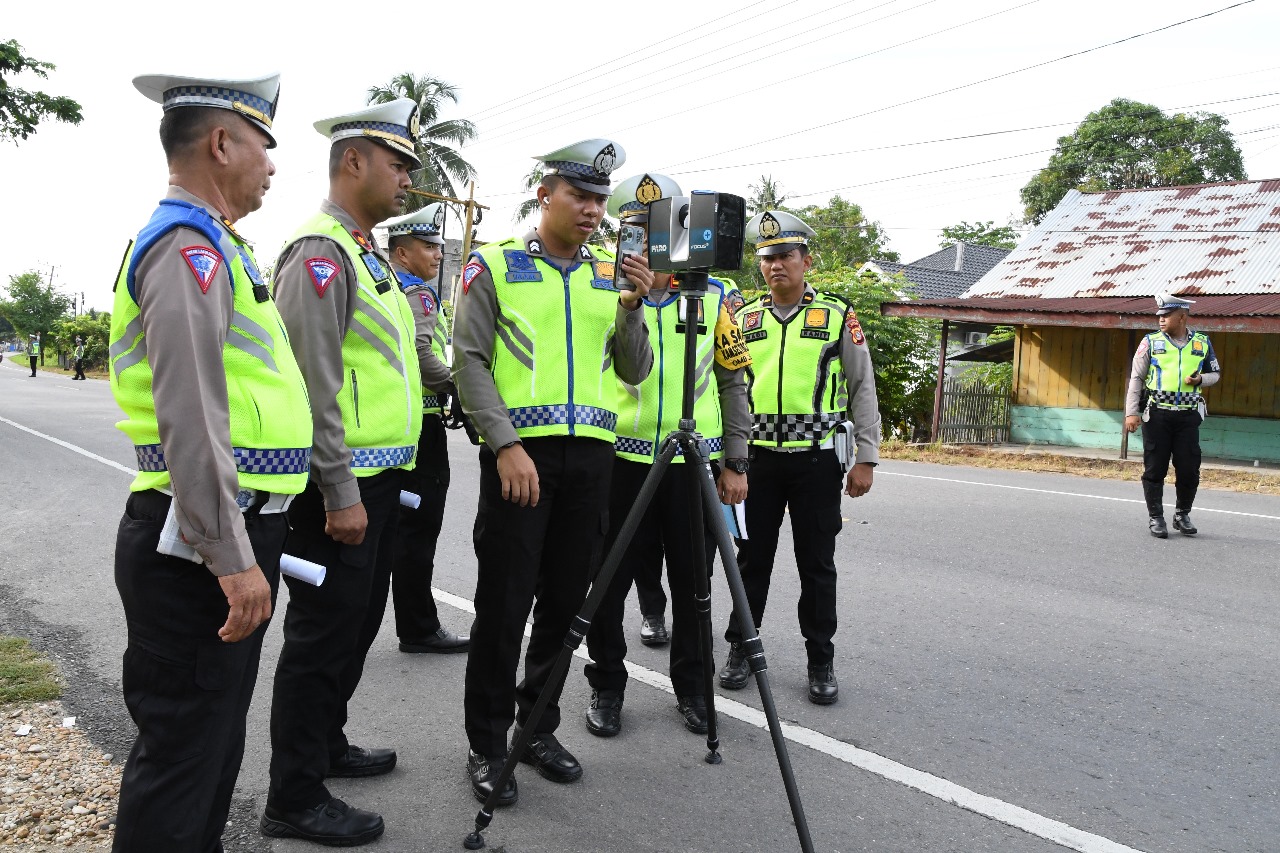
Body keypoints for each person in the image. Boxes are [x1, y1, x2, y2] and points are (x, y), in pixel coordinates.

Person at [108, 72, 312, 853]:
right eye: (264, 144)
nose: (271, 164)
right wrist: (230, 555)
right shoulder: (186, 248)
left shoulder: (219, 245)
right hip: (197, 544)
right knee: (183, 756)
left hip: (217, 535)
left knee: (211, 749)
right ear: (222, 142)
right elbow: (189, 418)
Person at [452, 138, 653, 806]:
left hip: (592, 460)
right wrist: (504, 443)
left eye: (601, 199)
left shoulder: (609, 276)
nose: (593, 210)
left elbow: (634, 369)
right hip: (520, 457)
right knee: (504, 605)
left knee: (566, 606)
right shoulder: (497, 265)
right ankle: (486, 743)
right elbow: (470, 361)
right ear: (545, 195)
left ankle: (535, 729)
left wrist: (632, 308)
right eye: (580, 196)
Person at [263, 98, 424, 847]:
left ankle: (325, 745)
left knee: (354, 628)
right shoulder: (319, 252)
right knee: (322, 636)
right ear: (352, 160)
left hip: (378, 479)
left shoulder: (366, 254)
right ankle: (293, 793)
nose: (407, 180)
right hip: (341, 487)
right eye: (398, 164)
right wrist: (338, 490)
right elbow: (313, 383)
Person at [582, 172, 751, 738]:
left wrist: (736, 458)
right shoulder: (595, 289)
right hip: (619, 461)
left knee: (694, 586)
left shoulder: (716, 294)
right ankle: (606, 686)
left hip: (691, 466)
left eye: (653, 234)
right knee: (605, 587)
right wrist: (629, 299)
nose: (642, 247)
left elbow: (733, 380)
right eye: (631, 233)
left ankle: (694, 690)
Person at [719, 210, 881, 706]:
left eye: (786, 255)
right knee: (752, 562)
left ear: (806, 260)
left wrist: (866, 457)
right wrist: (731, 458)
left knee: (817, 565)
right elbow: (725, 388)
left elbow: (862, 386)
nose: (776, 265)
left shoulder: (836, 315)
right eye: (767, 258)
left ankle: (820, 659)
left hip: (816, 464)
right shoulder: (743, 318)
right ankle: (742, 648)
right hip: (758, 462)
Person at [383, 202, 469, 653]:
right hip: (424, 424)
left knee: (399, 526)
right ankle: (418, 626)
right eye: (429, 245)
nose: (438, 254)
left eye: (439, 245)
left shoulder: (387, 284)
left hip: (398, 423)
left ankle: (408, 621)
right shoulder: (418, 292)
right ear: (401, 251)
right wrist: (458, 386)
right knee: (419, 528)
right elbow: (420, 356)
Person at [1123, 293, 1220, 538]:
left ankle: (1182, 514)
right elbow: (1136, 378)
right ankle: (1156, 518)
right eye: (1160, 316)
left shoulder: (1201, 343)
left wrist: (1201, 379)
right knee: (1155, 468)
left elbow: (1216, 374)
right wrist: (1131, 413)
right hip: (1157, 415)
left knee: (1189, 468)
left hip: (1188, 416)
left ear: (1182, 317)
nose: (1161, 320)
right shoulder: (1151, 342)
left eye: (1166, 315)